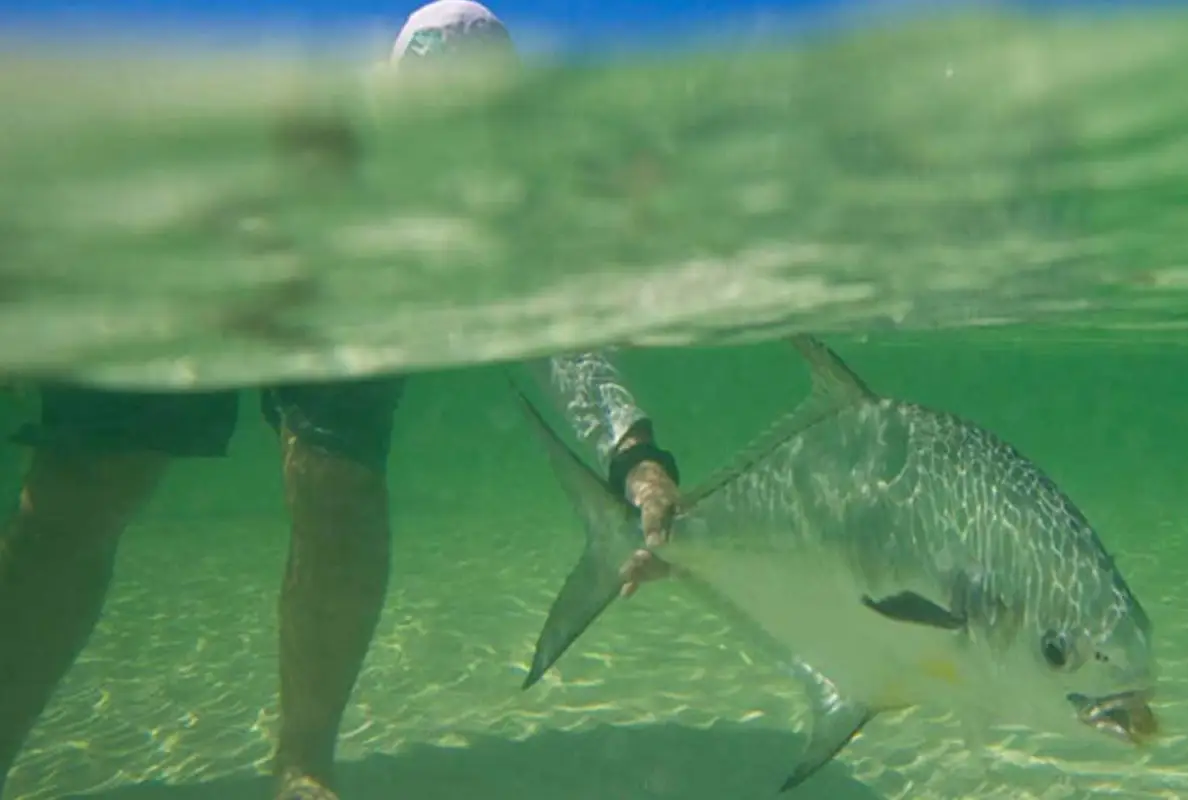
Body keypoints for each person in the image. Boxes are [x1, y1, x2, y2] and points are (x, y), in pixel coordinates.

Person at [0, 4, 680, 799]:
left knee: (340, 490)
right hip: (178, 278)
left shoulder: (493, 182)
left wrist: (634, 454)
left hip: (340, 306)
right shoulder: (274, 124)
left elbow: (554, 325)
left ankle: (303, 765)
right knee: (83, 496)